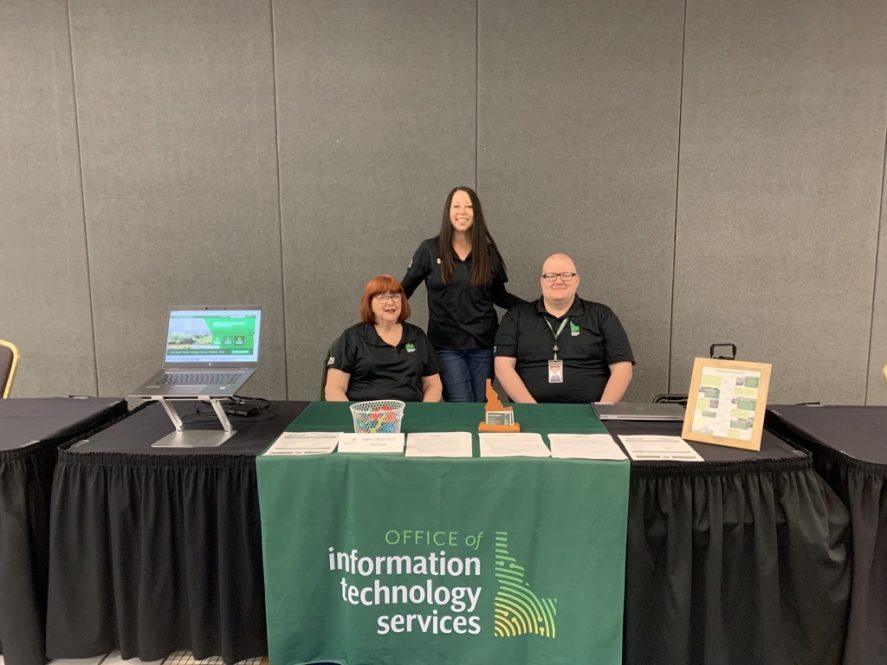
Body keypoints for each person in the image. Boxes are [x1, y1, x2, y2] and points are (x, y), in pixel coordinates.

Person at [401, 186, 525, 402]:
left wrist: (534, 308)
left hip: (484, 345)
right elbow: (403, 291)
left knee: (480, 405)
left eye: (468, 206)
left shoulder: (488, 252)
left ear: (476, 213)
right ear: (447, 211)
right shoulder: (429, 249)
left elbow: (499, 296)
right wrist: (383, 321)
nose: (462, 211)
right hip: (445, 346)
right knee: (461, 405)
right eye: (456, 206)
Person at [493, 253, 634, 403]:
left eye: (566, 275)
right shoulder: (516, 316)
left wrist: (603, 411)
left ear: (577, 280)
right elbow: (503, 367)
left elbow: (622, 368)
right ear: (542, 281)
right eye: (551, 276)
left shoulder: (602, 315)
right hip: (530, 414)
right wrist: (532, 410)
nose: (558, 281)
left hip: (590, 414)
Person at [325, 275, 443, 402]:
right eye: (382, 297)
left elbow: (433, 385)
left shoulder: (417, 336)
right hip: (365, 416)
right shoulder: (352, 338)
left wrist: (423, 413)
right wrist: (355, 418)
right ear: (369, 302)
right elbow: (334, 388)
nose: (390, 302)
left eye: (396, 296)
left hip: (411, 415)